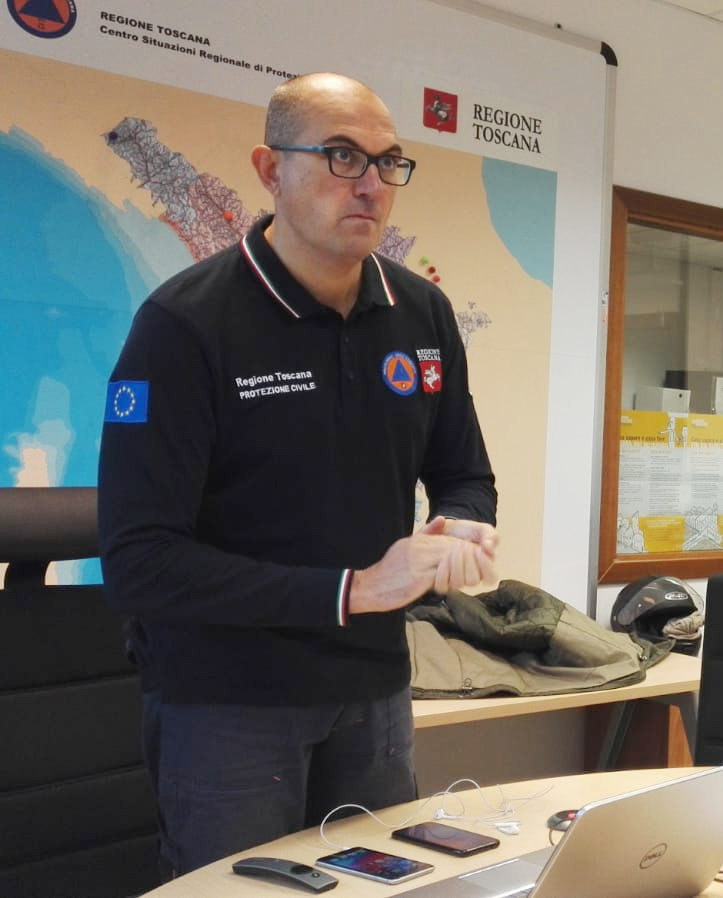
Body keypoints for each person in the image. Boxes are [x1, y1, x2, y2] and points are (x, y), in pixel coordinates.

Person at [98, 72, 498, 876]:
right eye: (342, 156)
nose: (372, 184)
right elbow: (141, 562)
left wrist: (462, 522)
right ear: (269, 168)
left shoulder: (422, 314)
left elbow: (464, 471)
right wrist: (349, 590)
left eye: (389, 162)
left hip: (376, 691)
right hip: (229, 705)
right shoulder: (184, 325)